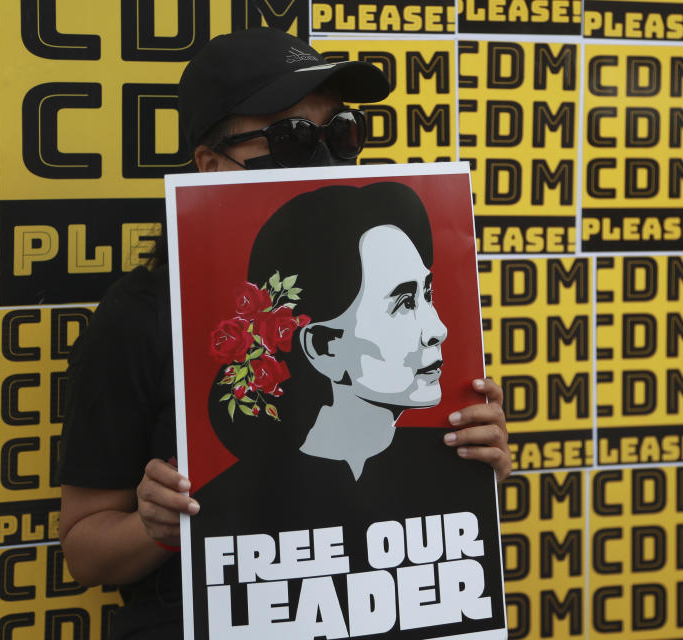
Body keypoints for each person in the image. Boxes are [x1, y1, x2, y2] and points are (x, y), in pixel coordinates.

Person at [56, 27, 510, 640]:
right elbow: (84, 550)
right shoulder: (138, 315)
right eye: (291, 136)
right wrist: (154, 526)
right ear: (211, 164)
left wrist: (472, 465)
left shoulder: (411, 390)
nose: (325, 156)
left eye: (341, 131)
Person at [188, 183, 506, 638]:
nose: (437, 328)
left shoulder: (448, 458)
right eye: (402, 302)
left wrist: (482, 478)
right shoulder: (226, 500)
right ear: (324, 348)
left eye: (428, 293)